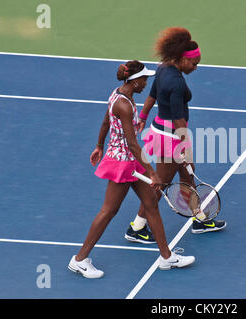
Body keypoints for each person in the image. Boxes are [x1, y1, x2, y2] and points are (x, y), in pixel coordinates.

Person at [68, 60, 195, 278]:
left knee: (151, 204)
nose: (147, 83)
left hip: (131, 161)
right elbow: (133, 143)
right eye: (144, 79)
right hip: (123, 163)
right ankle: (79, 260)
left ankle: (166, 257)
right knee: (109, 211)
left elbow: (106, 122)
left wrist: (99, 145)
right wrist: (153, 172)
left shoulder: (119, 94)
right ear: (135, 82)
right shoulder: (124, 105)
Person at [124, 27, 227, 244]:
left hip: (165, 132)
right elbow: (180, 121)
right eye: (194, 63)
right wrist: (186, 149)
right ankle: (137, 227)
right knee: (160, 183)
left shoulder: (164, 69)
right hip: (170, 139)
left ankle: (199, 219)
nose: (196, 67)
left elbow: (152, 94)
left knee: (188, 177)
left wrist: (142, 116)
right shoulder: (177, 83)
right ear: (181, 59)